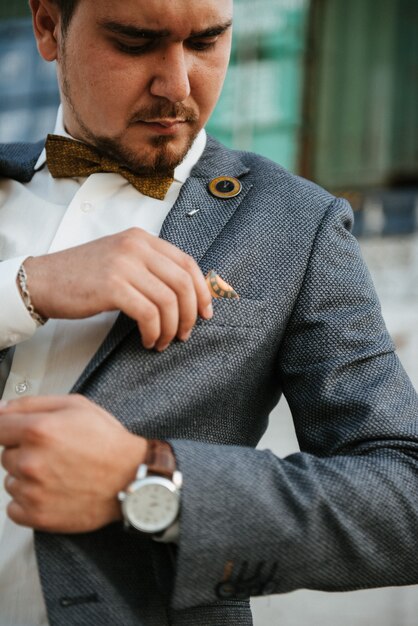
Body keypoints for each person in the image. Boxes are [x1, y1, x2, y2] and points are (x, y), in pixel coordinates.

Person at [0, 0, 417, 624]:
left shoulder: (295, 226)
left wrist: (148, 481)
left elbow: (402, 498)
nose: (178, 86)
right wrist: (24, 288)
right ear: (48, 27)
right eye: (135, 43)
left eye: (206, 42)